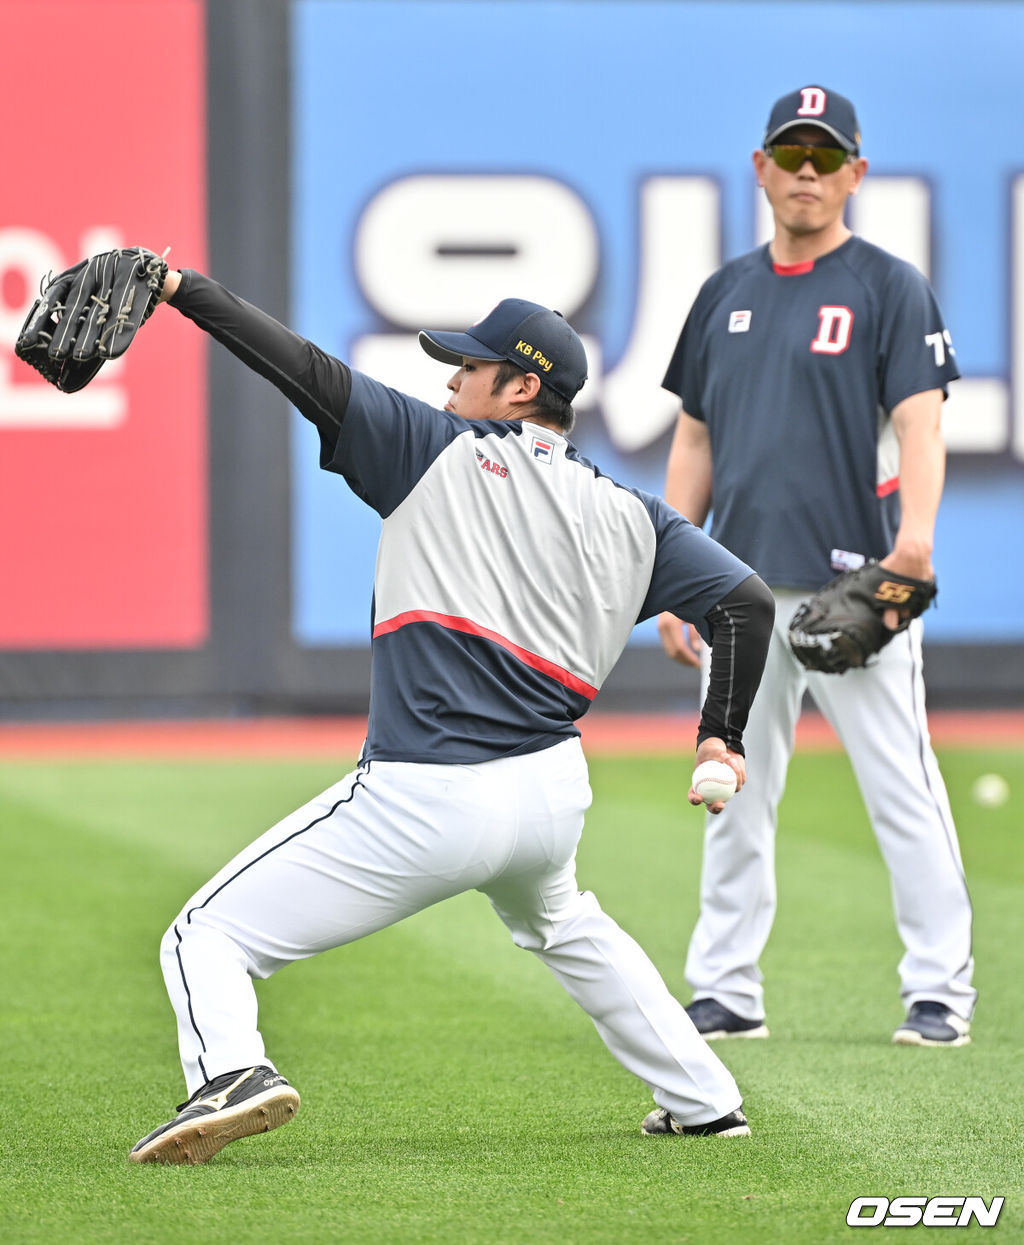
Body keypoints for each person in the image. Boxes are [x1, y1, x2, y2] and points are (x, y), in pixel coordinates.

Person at [127, 267, 776, 1164]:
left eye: (469, 368)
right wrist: (722, 733)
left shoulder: (436, 447)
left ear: (520, 388)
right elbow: (745, 603)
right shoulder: (636, 517)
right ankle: (705, 1098)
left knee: (206, 932)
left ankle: (232, 1070)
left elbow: (301, 368)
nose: (449, 381)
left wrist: (179, 287)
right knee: (565, 923)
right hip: (549, 797)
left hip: (427, 794)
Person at [657, 85, 976, 1048]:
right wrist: (673, 566)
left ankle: (938, 992)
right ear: (759, 167)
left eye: (825, 156)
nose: (807, 170)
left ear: (856, 174)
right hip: (739, 590)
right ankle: (723, 988)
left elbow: (922, 423)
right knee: (730, 788)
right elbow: (694, 438)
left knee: (902, 792)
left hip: (855, 583)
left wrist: (914, 538)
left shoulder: (888, 285)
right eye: (790, 153)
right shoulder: (724, 293)